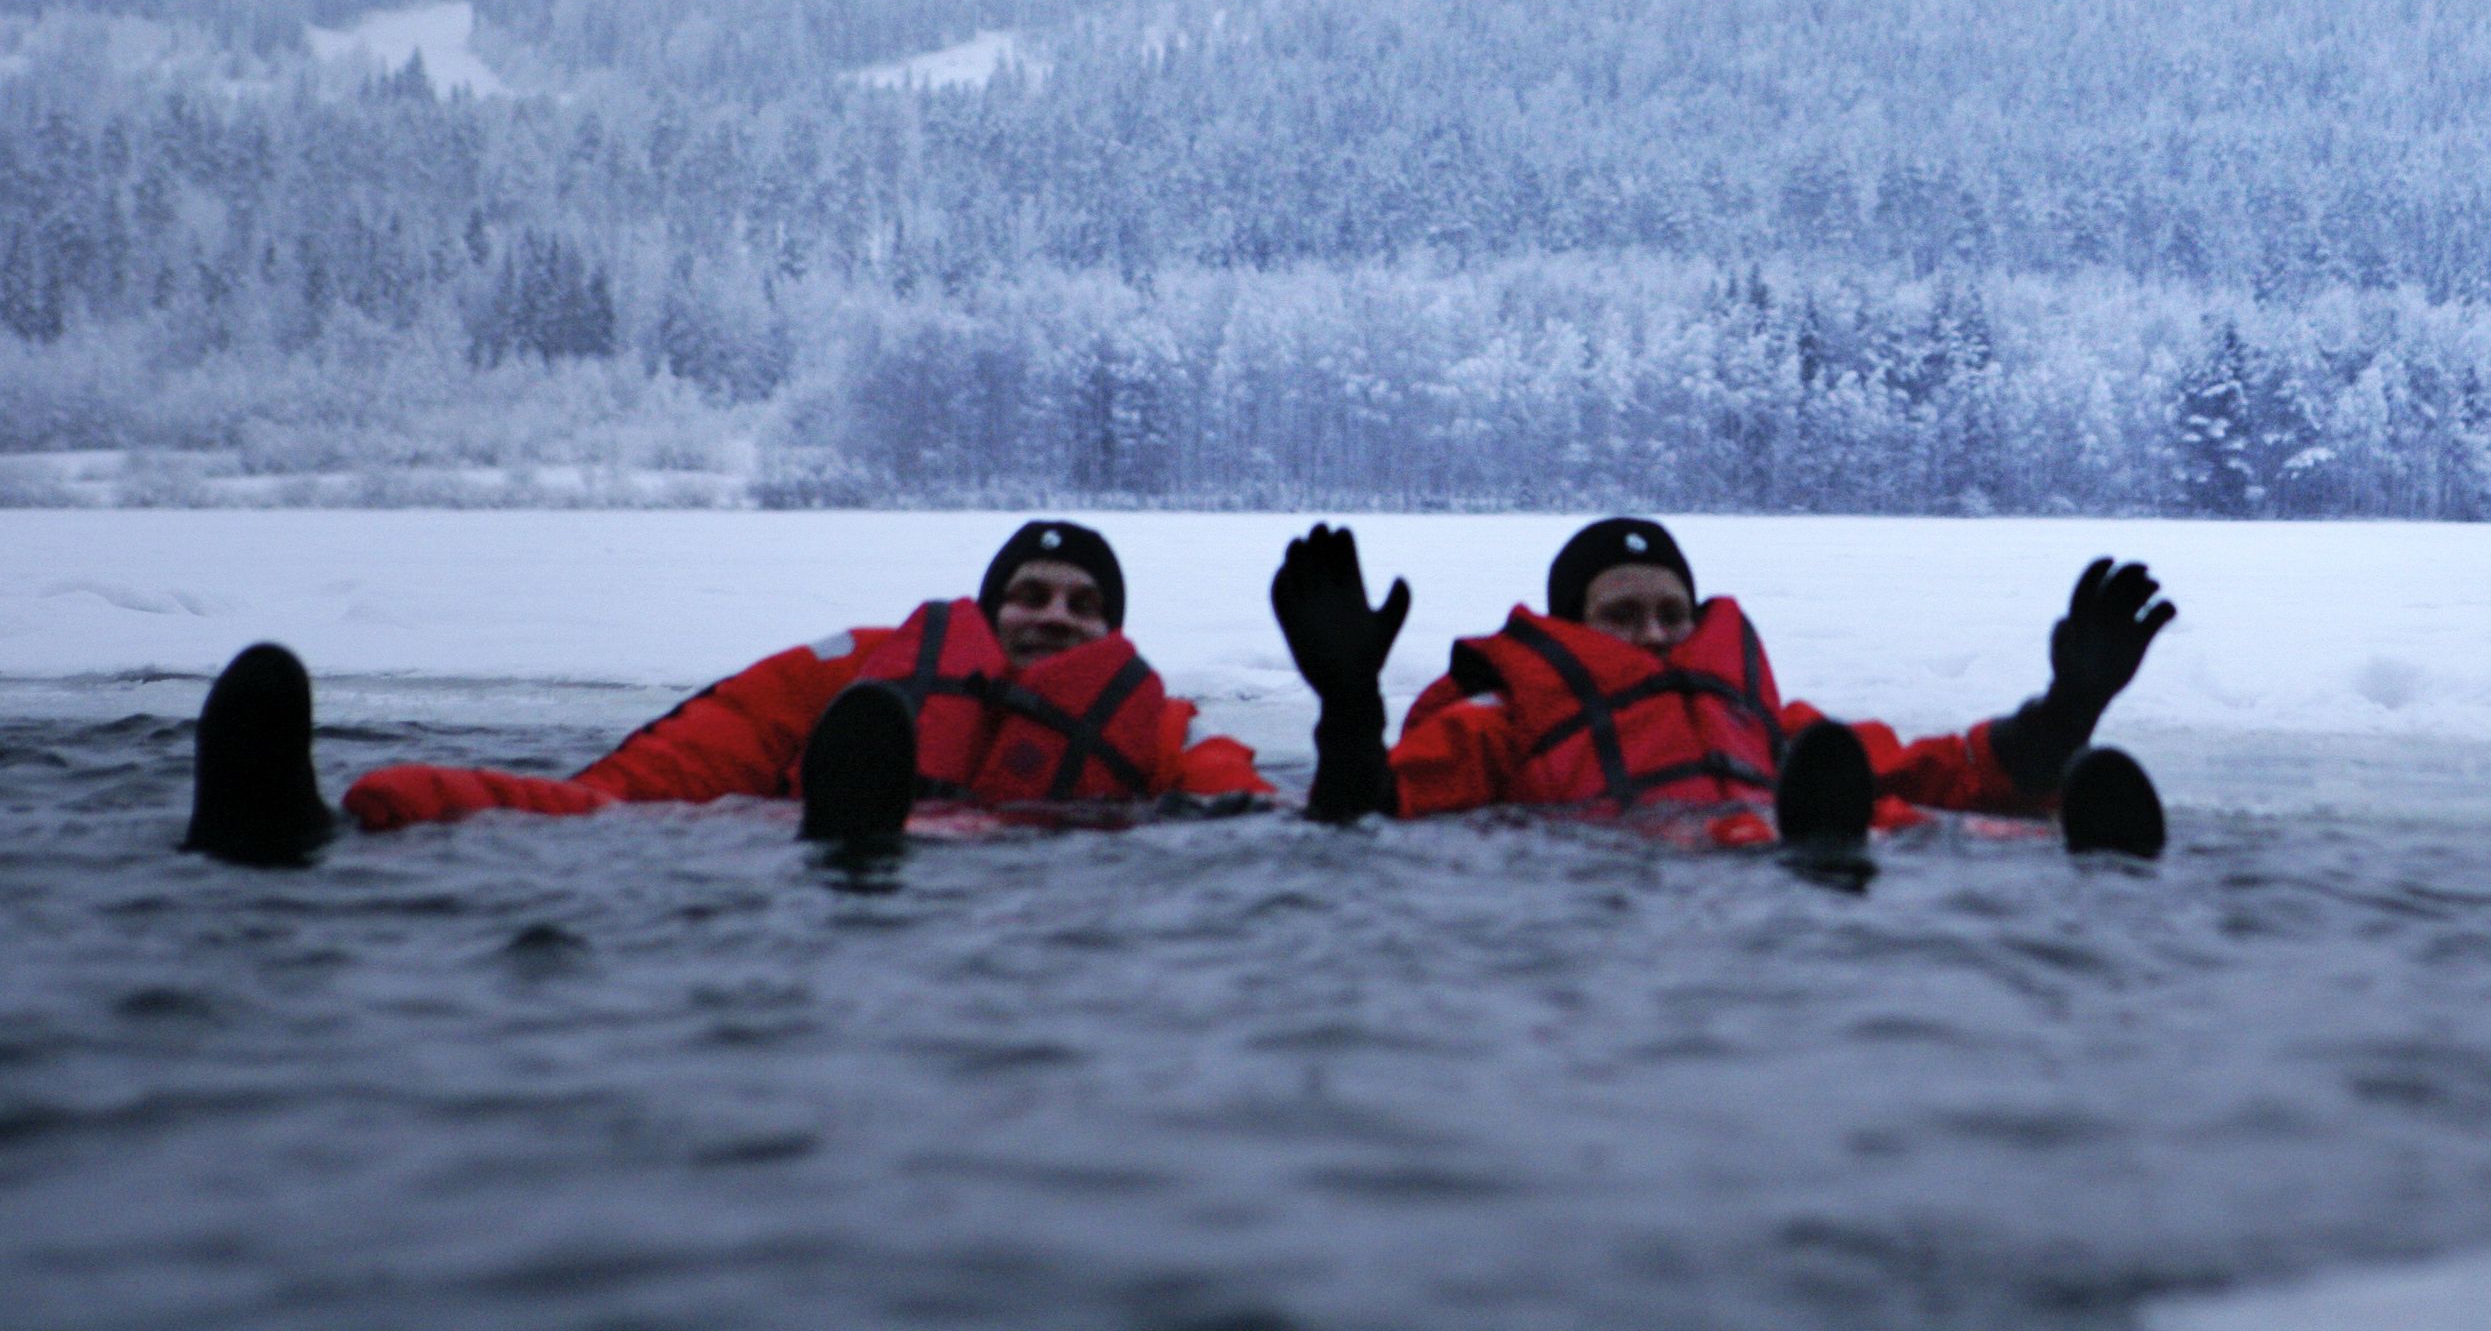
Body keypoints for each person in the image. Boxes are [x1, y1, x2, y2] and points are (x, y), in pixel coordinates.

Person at [181, 520, 1270, 864]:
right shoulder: (869, 671)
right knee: (591, 817)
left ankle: (861, 846)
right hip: (808, 831)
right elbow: (649, 780)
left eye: (1084, 603)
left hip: (1022, 868)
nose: (1055, 613)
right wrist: (410, 802)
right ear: (992, 609)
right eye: (1031, 593)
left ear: (1111, 633)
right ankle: (311, 826)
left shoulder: (1163, 725)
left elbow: (1245, 817)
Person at [1269, 515, 2176, 855]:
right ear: (1570, 626)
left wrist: (2065, 713)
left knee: (1956, 821)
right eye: (1623, 616)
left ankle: (2086, 860)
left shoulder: (1774, 728)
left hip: (1781, 827)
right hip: (1634, 855)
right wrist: (1349, 708)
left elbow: (1934, 770)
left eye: (1672, 611)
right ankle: (1818, 855)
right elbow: (1370, 813)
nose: (1657, 634)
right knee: (1822, 835)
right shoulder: (1505, 722)